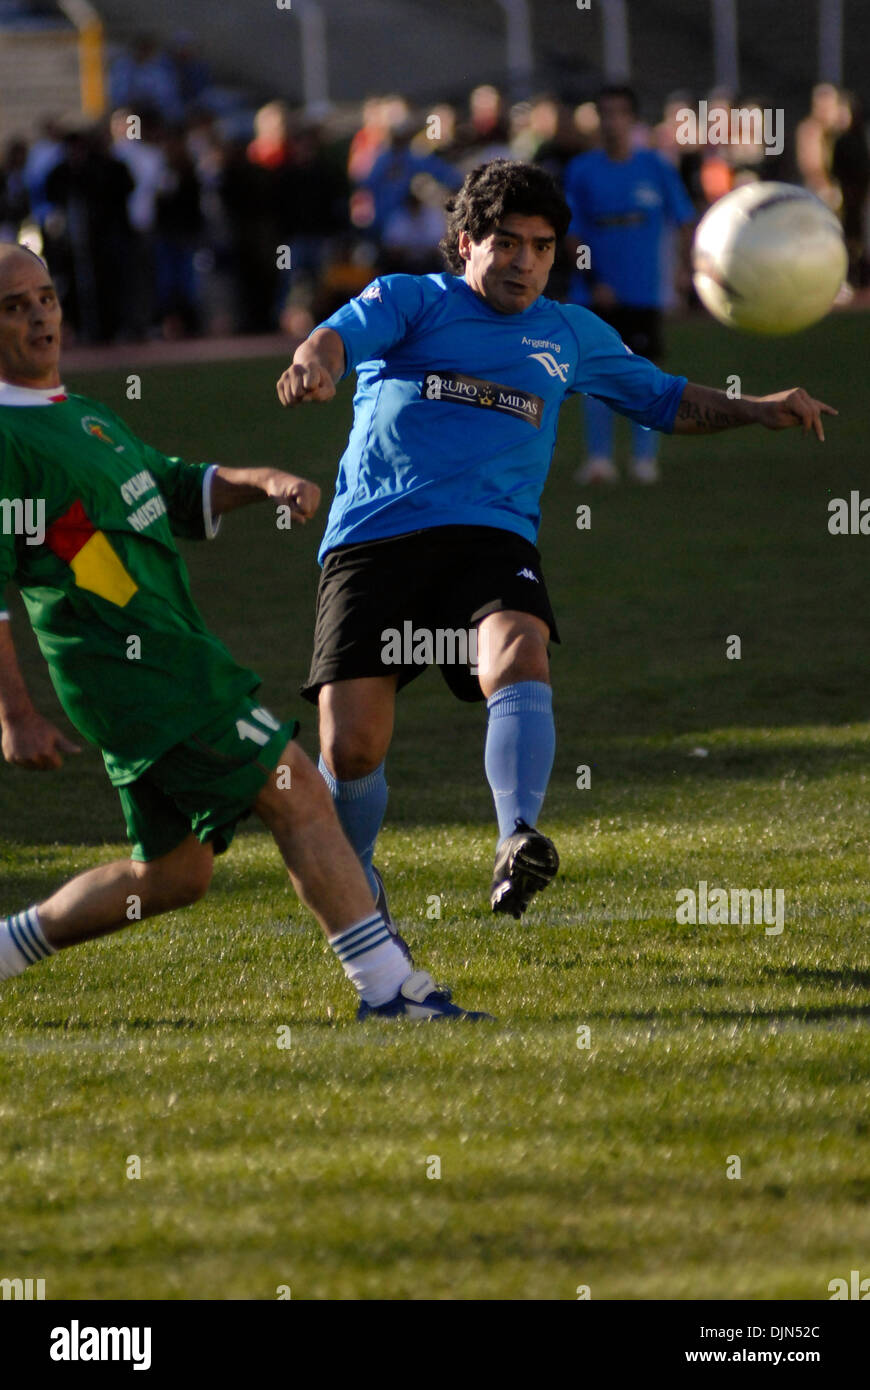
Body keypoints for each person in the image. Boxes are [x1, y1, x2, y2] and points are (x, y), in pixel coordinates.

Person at [275, 159, 835, 924]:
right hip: (376, 540)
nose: (525, 263)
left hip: (489, 538)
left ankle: (516, 839)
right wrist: (315, 362)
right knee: (354, 750)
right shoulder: (412, 299)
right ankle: (358, 877)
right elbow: (337, 336)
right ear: (467, 242)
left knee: (521, 649)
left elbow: (663, 400)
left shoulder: (569, 332)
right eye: (507, 244)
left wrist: (757, 407)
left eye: (541, 247)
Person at [0, 244, 487, 1022]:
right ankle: (390, 990)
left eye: (47, 297)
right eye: (14, 305)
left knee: (171, 876)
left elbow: (171, 486)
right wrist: (16, 715)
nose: (39, 315)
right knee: (294, 788)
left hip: (165, 659)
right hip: (140, 672)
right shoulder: (5, 440)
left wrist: (265, 482)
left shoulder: (80, 415)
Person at [563, 85, 696, 485]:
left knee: (645, 373)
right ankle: (600, 460)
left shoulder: (656, 167)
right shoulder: (582, 170)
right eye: (605, 113)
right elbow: (572, 233)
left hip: (644, 291)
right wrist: (594, 279)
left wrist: (685, 269)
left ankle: (643, 459)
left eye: (619, 113)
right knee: (596, 374)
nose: (611, 121)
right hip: (599, 292)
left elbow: (684, 220)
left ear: (633, 119)